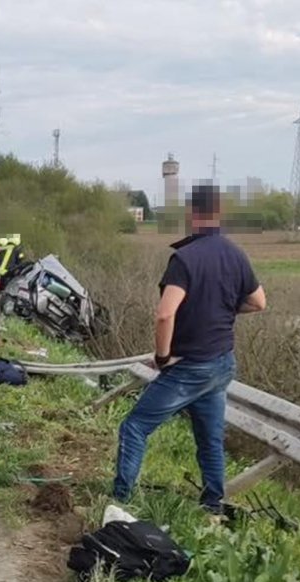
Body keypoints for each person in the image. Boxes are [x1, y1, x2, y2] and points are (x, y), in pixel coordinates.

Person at [113, 184, 267, 516]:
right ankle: (212, 506)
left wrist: (162, 357)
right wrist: (222, 310)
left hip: (189, 367)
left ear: (192, 214)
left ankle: (120, 500)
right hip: (222, 364)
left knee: (134, 427)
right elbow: (258, 302)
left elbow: (165, 314)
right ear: (219, 214)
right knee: (210, 439)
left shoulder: (185, 258)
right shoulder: (235, 254)